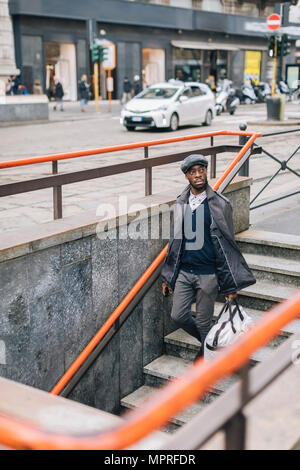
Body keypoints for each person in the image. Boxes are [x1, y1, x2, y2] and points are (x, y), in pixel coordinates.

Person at [161, 154, 256, 359]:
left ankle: (205, 358)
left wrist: (230, 287)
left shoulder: (220, 204)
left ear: (206, 172)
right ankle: (209, 345)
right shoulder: (181, 203)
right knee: (177, 316)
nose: (198, 175)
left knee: (204, 322)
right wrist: (168, 276)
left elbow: (228, 247)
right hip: (185, 273)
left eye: (201, 170)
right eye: (193, 172)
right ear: (186, 176)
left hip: (208, 275)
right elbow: (174, 241)